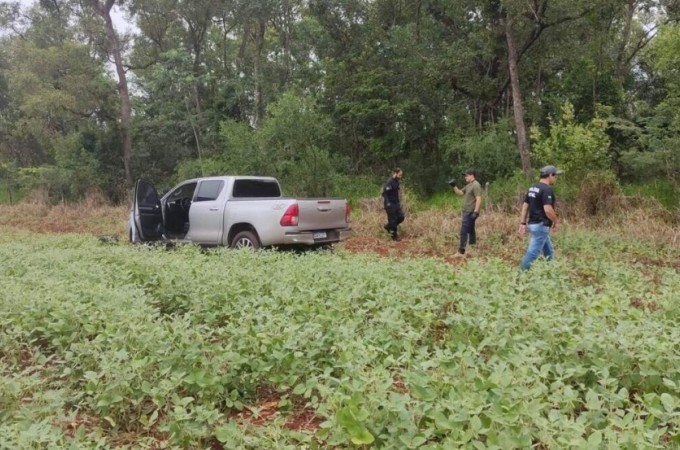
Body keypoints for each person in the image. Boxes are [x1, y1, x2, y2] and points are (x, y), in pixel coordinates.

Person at [518, 165, 563, 270]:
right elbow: (547, 209)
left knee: (549, 250)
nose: (555, 178)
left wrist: (523, 223)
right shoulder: (546, 190)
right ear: (550, 175)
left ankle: (551, 271)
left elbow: (525, 206)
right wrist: (556, 222)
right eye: (555, 176)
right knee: (532, 253)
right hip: (541, 225)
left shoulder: (533, 187)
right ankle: (520, 276)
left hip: (533, 224)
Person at [452, 168, 482, 256]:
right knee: (471, 230)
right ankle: (472, 249)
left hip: (470, 212)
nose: (465, 177)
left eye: (466, 175)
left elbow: (479, 199)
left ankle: (461, 251)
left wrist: (476, 212)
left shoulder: (476, 185)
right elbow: (460, 193)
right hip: (466, 211)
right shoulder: (469, 185)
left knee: (464, 231)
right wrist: (454, 186)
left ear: (472, 175)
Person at [382, 168, 405, 241]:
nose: (400, 176)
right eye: (399, 175)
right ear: (395, 173)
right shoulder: (389, 182)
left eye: (401, 175)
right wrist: (388, 203)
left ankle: (388, 226)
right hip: (390, 204)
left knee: (401, 217)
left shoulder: (397, 181)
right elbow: (385, 193)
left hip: (396, 203)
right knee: (393, 220)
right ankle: (394, 236)